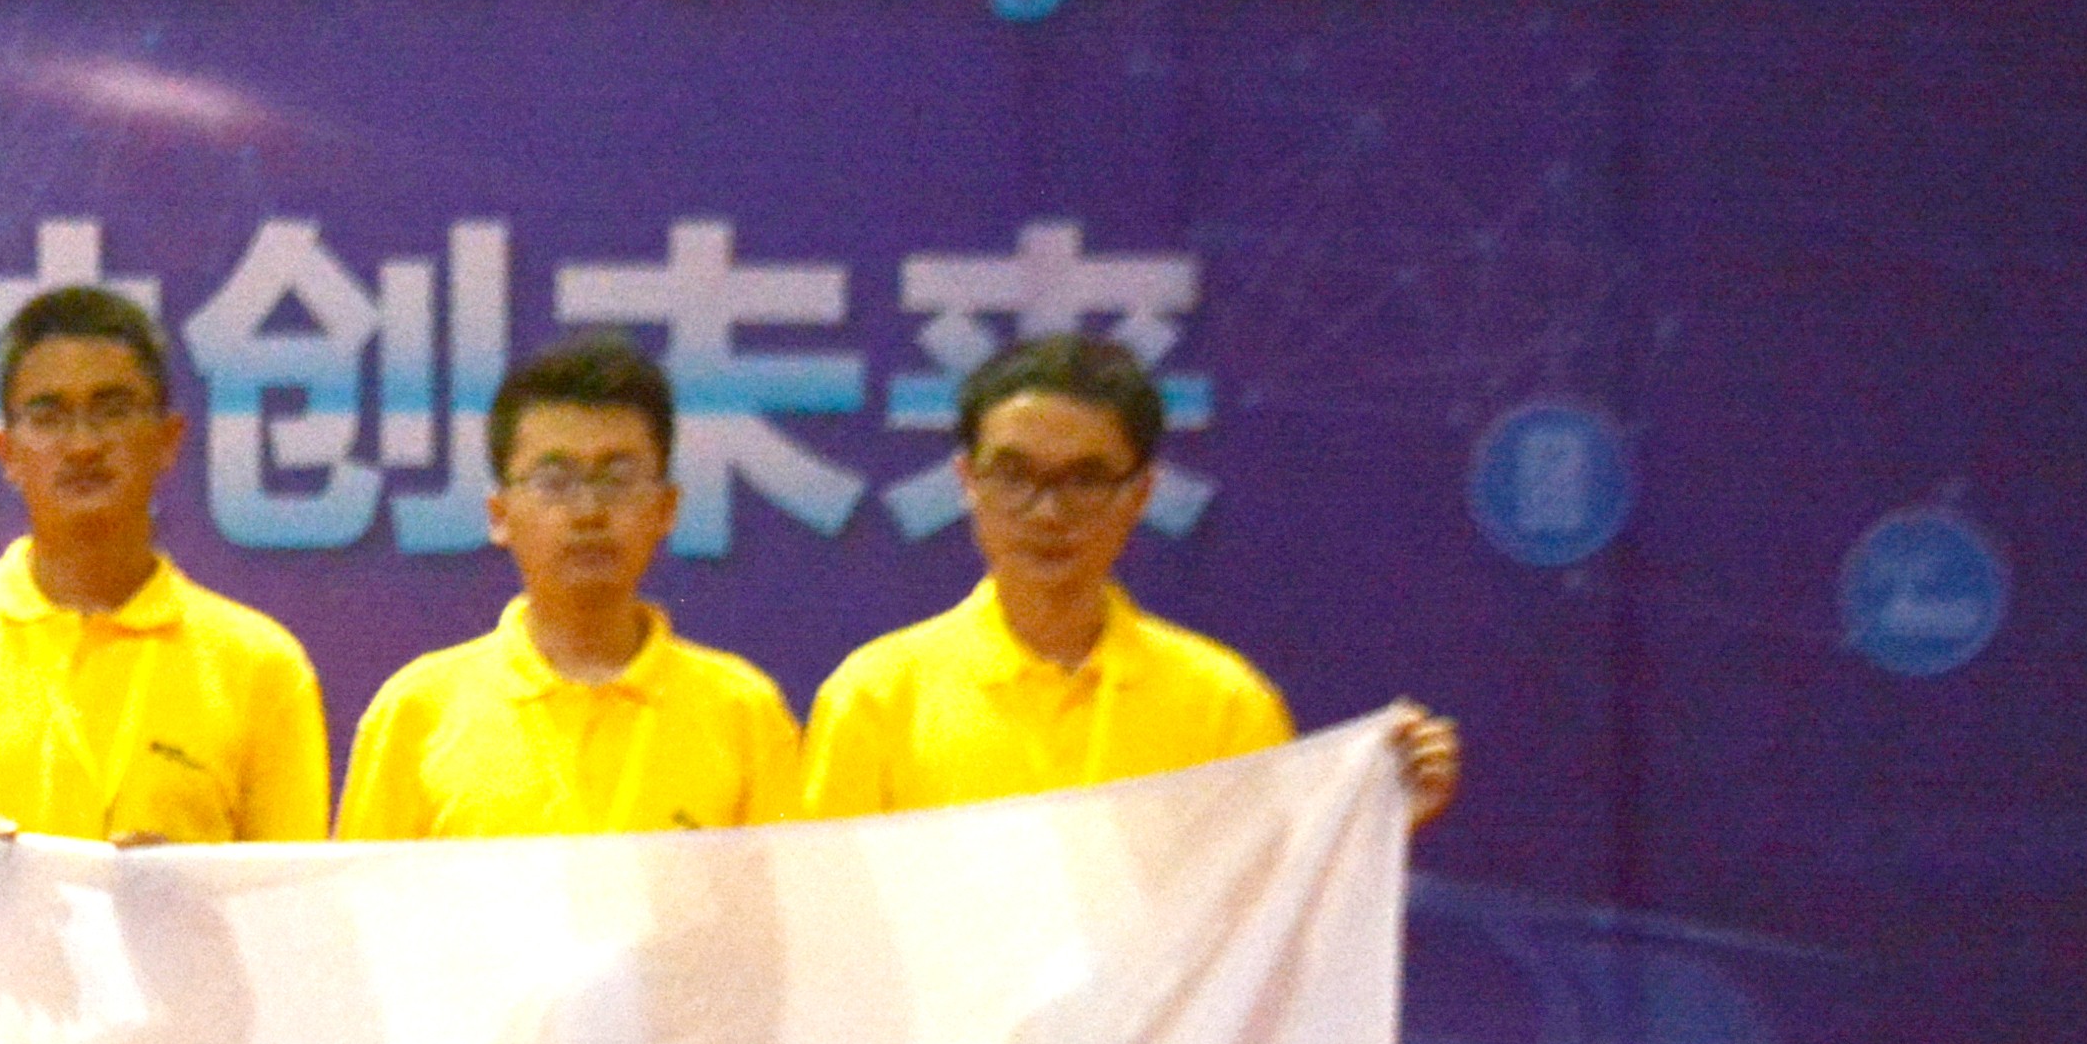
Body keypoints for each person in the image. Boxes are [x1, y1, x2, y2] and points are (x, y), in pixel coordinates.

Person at [790, 331, 1461, 824]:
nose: (1047, 512)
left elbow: (1270, 911)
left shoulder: (1222, 704)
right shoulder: (877, 698)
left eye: (1085, 479)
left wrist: (1379, 821)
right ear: (967, 481)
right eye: (1014, 475)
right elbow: (824, 924)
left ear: (1140, 492)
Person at [0, 282, 326, 846]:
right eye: (49, 416)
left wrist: (186, 888)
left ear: (168, 439)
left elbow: (296, 892)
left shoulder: (261, 666)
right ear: (6, 451)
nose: (83, 444)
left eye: (113, 411)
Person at [334, 333, 797, 838]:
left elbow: (791, 889)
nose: (589, 512)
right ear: (499, 514)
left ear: (666, 508)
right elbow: (361, 891)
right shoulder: (418, 712)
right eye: (554, 480)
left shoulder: (744, 714)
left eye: (618, 478)